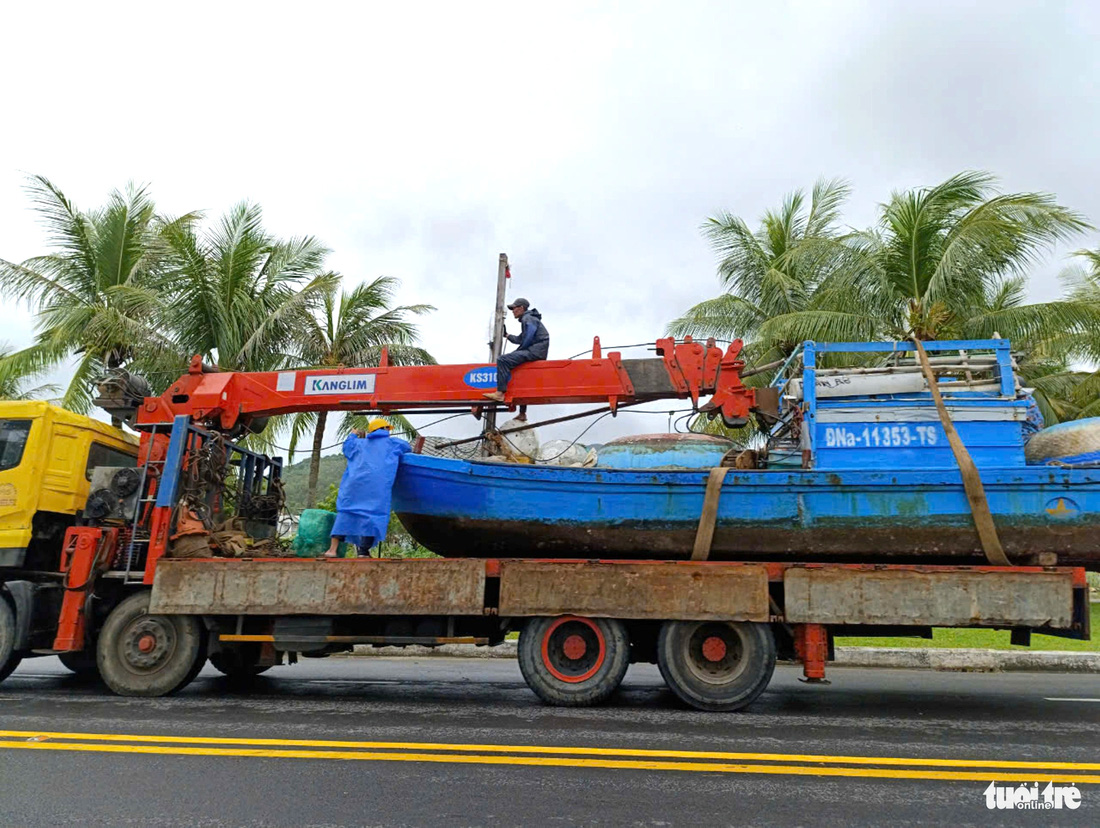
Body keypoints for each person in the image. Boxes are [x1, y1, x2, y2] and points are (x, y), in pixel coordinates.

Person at [325, 418, 411, 558]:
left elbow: (347, 447)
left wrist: (353, 434)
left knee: (346, 514)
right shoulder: (393, 443)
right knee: (373, 517)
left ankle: (332, 550)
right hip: (376, 489)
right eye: (387, 429)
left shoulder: (358, 443)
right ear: (384, 429)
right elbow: (407, 447)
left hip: (353, 487)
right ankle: (363, 552)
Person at [482, 298, 549, 404]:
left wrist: (520, 349)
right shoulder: (530, 319)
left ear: (521, 308)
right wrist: (507, 335)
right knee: (521, 374)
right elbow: (521, 339)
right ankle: (522, 414)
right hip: (537, 351)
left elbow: (529, 336)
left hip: (535, 351)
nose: (512, 311)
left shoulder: (528, 318)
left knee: (503, 360)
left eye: (514, 308)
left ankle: (500, 393)